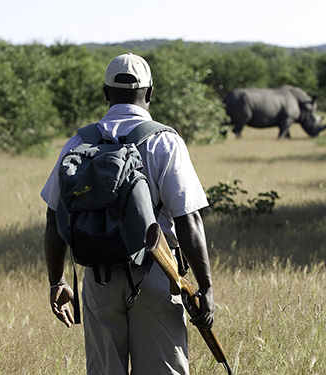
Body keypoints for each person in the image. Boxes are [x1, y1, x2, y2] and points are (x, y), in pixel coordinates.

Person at [41, 53, 215, 375]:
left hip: (98, 277)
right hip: (158, 273)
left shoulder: (78, 142)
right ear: (149, 93)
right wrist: (205, 287)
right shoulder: (165, 142)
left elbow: (54, 219)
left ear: (106, 93)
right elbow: (188, 218)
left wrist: (57, 281)